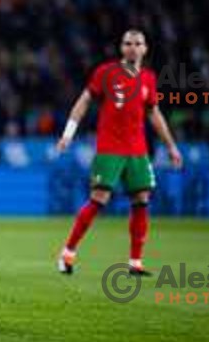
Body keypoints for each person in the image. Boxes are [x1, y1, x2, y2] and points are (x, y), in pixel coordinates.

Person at [56, 30, 183, 275]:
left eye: (138, 43)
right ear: (121, 47)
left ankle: (135, 262)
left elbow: (154, 114)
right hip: (109, 149)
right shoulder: (106, 73)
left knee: (141, 200)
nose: (133, 47)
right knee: (99, 199)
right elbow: (84, 101)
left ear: (145, 48)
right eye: (128, 43)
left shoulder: (148, 78)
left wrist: (171, 146)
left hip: (137, 151)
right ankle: (67, 253)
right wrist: (68, 133)